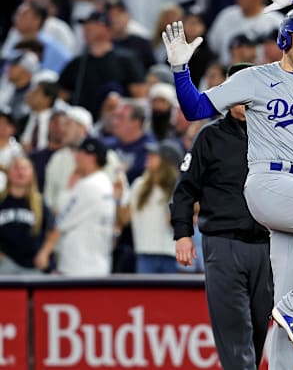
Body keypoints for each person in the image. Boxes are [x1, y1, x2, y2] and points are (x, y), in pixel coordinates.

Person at [163, 0, 293, 362]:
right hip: (269, 183)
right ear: (285, 40)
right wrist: (179, 70)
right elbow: (195, 110)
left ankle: (292, 312)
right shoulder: (255, 78)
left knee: (284, 315)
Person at [170, 62, 272, 370]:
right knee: (234, 334)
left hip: (268, 245)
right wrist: (183, 234)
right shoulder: (209, 137)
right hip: (223, 243)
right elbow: (185, 190)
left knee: (257, 333)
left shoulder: (276, 135)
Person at [118, 139, 182, 274]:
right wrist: (119, 198)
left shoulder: (179, 188)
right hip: (144, 253)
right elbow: (124, 219)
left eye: (154, 155)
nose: (148, 157)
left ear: (166, 161)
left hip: (172, 255)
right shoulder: (139, 185)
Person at [54, 137, 116, 275]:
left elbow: (62, 219)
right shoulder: (103, 182)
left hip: (79, 267)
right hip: (96, 263)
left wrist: (69, 188)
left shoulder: (89, 185)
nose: (76, 157)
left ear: (91, 157)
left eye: (80, 153)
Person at [0, 155, 57, 274]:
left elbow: (54, 230)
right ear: (8, 173)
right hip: (5, 265)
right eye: (16, 168)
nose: (20, 172)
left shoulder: (40, 203)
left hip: (33, 266)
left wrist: (45, 253)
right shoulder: (1, 201)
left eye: (25, 168)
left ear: (32, 174)